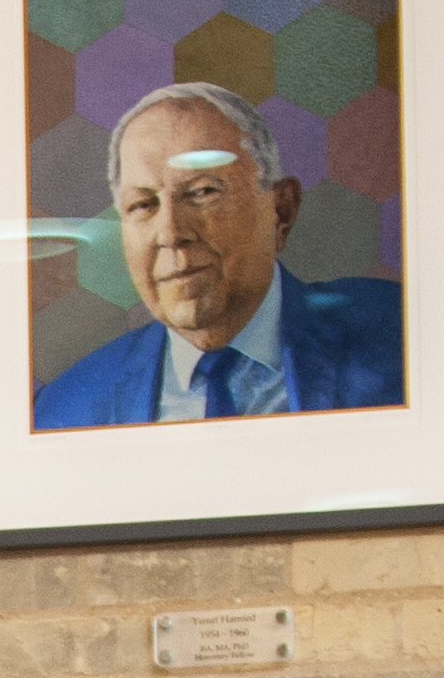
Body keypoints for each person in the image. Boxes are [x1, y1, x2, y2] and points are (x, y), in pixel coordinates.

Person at [27, 82, 406, 428]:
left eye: (203, 192)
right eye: (143, 204)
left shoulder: (404, 338)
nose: (171, 234)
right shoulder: (64, 410)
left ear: (281, 210)